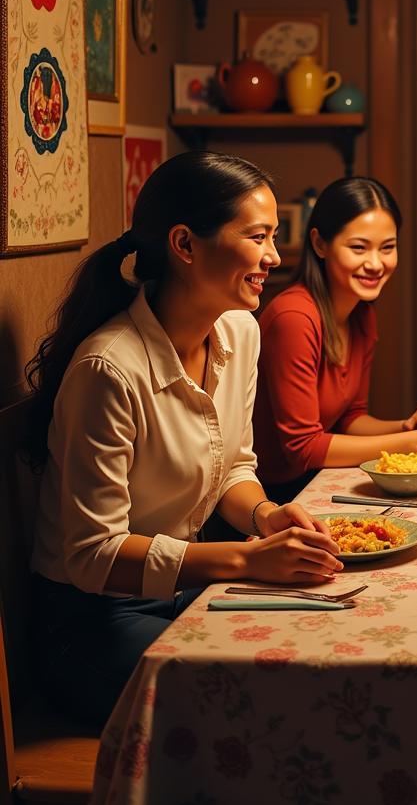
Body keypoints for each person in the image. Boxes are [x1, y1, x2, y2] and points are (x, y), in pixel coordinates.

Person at [25, 151, 342, 726]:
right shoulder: (109, 369)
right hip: (91, 620)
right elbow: (93, 557)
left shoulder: (240, 332)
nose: (274, 256)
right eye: (258, 237)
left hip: (183, 589)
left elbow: (234, 469)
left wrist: (267, 516)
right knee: (265, 697)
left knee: (322, 641)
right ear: (185, 244)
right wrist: (246, 559)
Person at [253, 177, 417, 502]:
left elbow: (351, 419)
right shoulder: (294, 318)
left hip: (318, 480)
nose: (376, 264)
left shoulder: (361, 314)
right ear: (320, 244)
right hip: (273, 494)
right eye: (358, 247)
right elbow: (302, 449)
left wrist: (411, 427)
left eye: (387, 247)